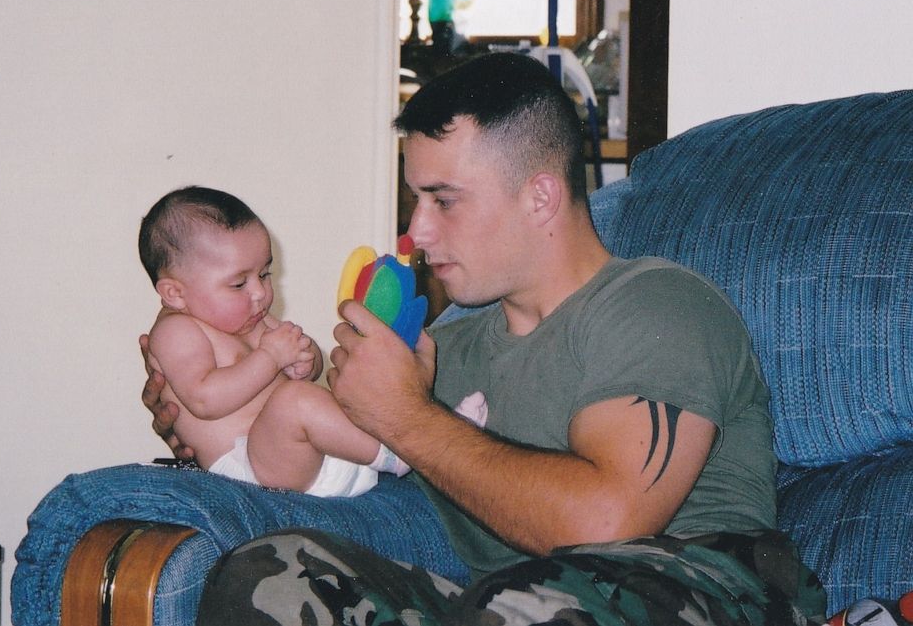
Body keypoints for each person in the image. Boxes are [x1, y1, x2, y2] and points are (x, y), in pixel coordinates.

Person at [143, 54, 826, 625]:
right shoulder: (452, 346)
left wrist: (408, 417)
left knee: (519, 603)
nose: (418, 232)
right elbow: (318, 437)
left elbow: (610, 518)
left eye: (444, 199)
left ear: (538, 196)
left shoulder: (658, 305)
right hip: (510, 603)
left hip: (708, 585)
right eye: (415, 199)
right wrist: (219, 422)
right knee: (268, 575)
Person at [138, 186, 411, 497]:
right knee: (293, 401)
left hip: (312, 454)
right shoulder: (176, 331)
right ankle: (400, 450)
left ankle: (415, 432)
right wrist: (270, 357)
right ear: (175, 293)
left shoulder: (252, 319)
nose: (260, 293)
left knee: (345, 386)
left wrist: (306, 361)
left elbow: (304, 362)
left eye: (265, 274)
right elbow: (204, 399)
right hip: (251, 472)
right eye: (239, 283)